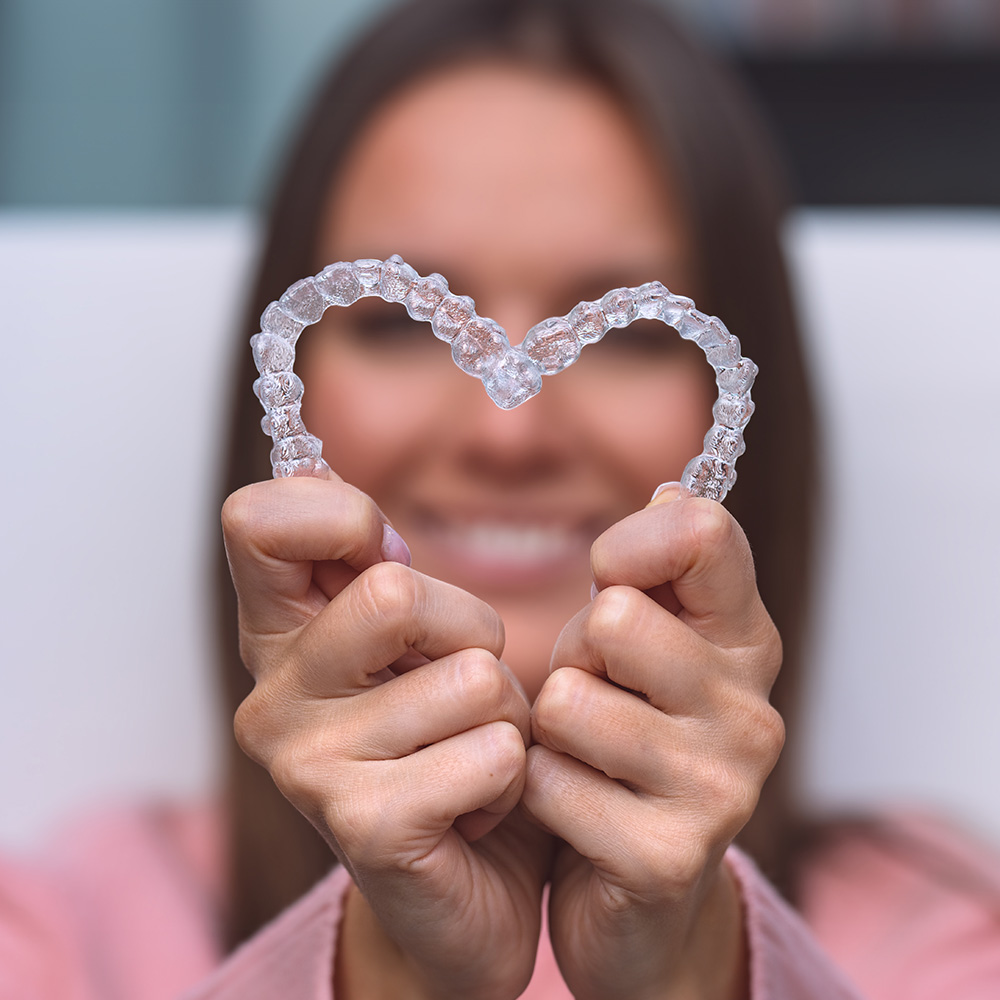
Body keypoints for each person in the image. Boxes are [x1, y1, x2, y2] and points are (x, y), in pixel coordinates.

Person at [2, 1, 999, 998]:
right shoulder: (54, 934)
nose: (506, 433)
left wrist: (690, 972)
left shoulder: (951, 938)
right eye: (397, 325)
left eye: (629, 336)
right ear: (279, 384)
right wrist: (392, 964)